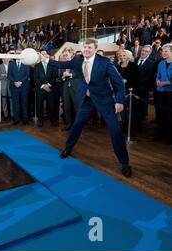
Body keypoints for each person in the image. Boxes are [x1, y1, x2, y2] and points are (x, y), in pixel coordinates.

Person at [42, 38, 132, 178]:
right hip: (87, 100)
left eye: (89, 48)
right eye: (85, 47)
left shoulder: (104, 62)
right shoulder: (78, 60)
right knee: (77, 125)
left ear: (95, 49)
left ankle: (124, 162)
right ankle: (68, 148)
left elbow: (119, 83)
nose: (86, 50)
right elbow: (61, 64)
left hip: (105, 101)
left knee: (115, 130)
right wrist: (46, 60)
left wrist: (119, 102)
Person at [34, 53, 59, 127]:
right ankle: (40, 120)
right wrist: (43, 86)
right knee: (40, 106)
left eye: (46, 55)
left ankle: (53, 120)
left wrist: (48, 85)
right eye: (43, 55)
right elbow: (35, 78)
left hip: (50, 89)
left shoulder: (52, 65)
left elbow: (54, 77)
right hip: (40, 89)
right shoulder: (37, 66)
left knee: (51, 106)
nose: (44, 57)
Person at [155, 43, 172, 145]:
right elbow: (158, 75)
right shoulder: (161, 63)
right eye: (163, 51)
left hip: (170, 92)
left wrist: (168, 82)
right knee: (161, 114)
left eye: (166, 51)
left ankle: (170, 137)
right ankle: (161, 134)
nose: (164, 53)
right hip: (160, 91)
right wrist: (157, 81)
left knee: (170, 115)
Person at [60, 48, 80, 131]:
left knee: (77, 108)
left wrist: (70, 74)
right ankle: (69, 124)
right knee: (67, 107)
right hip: (66, 89)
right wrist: (63, 77)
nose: (65, 57)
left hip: (75, 88)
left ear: (71, 55)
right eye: (64, 55)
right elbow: (62, 77)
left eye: (66, 55)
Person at [135, 45, 155, 121]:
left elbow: (149, 77)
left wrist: (136, 81)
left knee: (142, 104)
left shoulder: (151, 63)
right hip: (134, 87)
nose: (143, 52)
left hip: (143, 87)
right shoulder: (135, 59)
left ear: (149, 53)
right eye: (143, 51)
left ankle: (142, 118)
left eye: (146, 51)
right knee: (135, 104)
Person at [8, 56, 30, 125]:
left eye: (19, 53)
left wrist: (21, 82)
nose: (18, 55)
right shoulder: (11, 64)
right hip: (14, 87)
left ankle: (25, 119)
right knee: (15, 104)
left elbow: (27, 74)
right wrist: (14, 82)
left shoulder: (26, 63)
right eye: (16, 53)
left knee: (24, 103)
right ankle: (16, 119)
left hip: (23, 86)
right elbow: (9, 75)